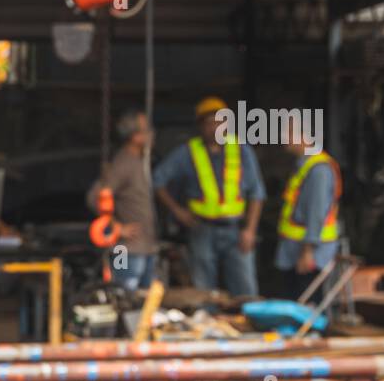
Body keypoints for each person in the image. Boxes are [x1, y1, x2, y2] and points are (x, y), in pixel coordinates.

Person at [153, 96, 266, 297]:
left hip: (236, 230)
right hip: (202, 229)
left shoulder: (242, 151)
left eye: (220, 122)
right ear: (200, 126)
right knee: (204, 289)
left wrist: (250, 229)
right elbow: (158, 180)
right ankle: (207, 324)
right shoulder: (187, 152)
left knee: (245, 288)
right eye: (210, 123)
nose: (215, 127)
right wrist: (177, 211)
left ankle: (250, 324)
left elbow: (257, 192)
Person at [86, 109, 157, 291]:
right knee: (122, 295)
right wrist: (117, 227)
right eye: (146, 130)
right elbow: (95, 197)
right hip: (124, 249)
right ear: (135, 136)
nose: (152, 134)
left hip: (144, 247)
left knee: (143, 302)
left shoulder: (138, 161)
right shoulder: (123, 163)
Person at [274, 135, 342, 301]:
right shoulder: (304, 165)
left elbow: (316, 212)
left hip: (310, 255)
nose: (284, 138)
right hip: (295, 250)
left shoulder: (318, 169)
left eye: (289, 133)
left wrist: (308, 251)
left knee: (307, 307)